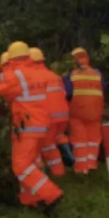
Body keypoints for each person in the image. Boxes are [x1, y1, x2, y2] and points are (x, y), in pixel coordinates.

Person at [0, 41, 64, 214]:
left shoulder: (16, 75)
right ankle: (32, 199)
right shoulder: (38, 74)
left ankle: (51, 194)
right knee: (33, 163)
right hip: (41, 125)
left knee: (21, 166)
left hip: (26, 126)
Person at [63, 47, 107, 174]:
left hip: (77, 112)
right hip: (95, 112)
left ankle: (81, 168)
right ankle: (92, 164)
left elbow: (68, 93)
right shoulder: (97, 74)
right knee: (93, 139)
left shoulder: (71, 75)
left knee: (79, 140)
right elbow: (103, 89)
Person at [29, 47, 70, 175]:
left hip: (48, 117)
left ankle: (57, 172)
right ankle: (67, 156)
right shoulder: (54, 76)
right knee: (57, 138)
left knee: (47, 145)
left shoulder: (33, 78)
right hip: (63, 115)